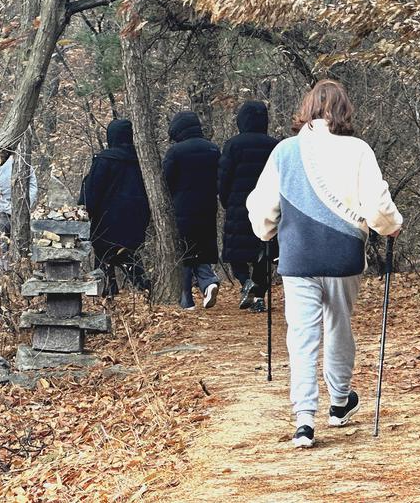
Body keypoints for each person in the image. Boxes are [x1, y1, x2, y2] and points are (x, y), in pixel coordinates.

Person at [247, 80, 403, 448]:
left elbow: (263, 207)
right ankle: (338, 402)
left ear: (307, 110)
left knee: (302, 337)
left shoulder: (285, 151)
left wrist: (266, 233)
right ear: (344, 110)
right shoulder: (358, 150)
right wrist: (391, 227)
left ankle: (304, 420)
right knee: (339, 327)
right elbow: (378, 206)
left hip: (298, 256)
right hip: (343, 255)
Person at [218, 101, 279, 313]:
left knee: (237, 253)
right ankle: (259, 296)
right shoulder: (274, 145)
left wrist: (226, 200)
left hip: (239, 205)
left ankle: (245, 282)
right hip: (269, 205)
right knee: (264, 251)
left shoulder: (233, 145)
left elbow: (224, 177)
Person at [81, 119, 151, 296]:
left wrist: (84, 210)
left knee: (104, 257)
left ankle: (108, 295)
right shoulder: (143, 161)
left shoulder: (104, 160)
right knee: (129, 255)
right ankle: (144, 289)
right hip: (135, 219)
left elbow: (92, 191)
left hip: (107, 221)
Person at [163, 111, 221, 310]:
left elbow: (165, 181)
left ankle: (186, 299)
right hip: (207, 207)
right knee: (202, 249)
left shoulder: (175, 152)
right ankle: (208, 282)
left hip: (182, 208)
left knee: (185, 253)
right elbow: (220, 178)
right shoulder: (213, 149)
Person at [0, 149, 37, 271]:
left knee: (0, 257)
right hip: (6, 214)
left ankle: (6, 283)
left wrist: (16, 208)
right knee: (18, 253)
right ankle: (13, 282)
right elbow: (33, 188)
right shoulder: (24, 162)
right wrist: (20, 208)